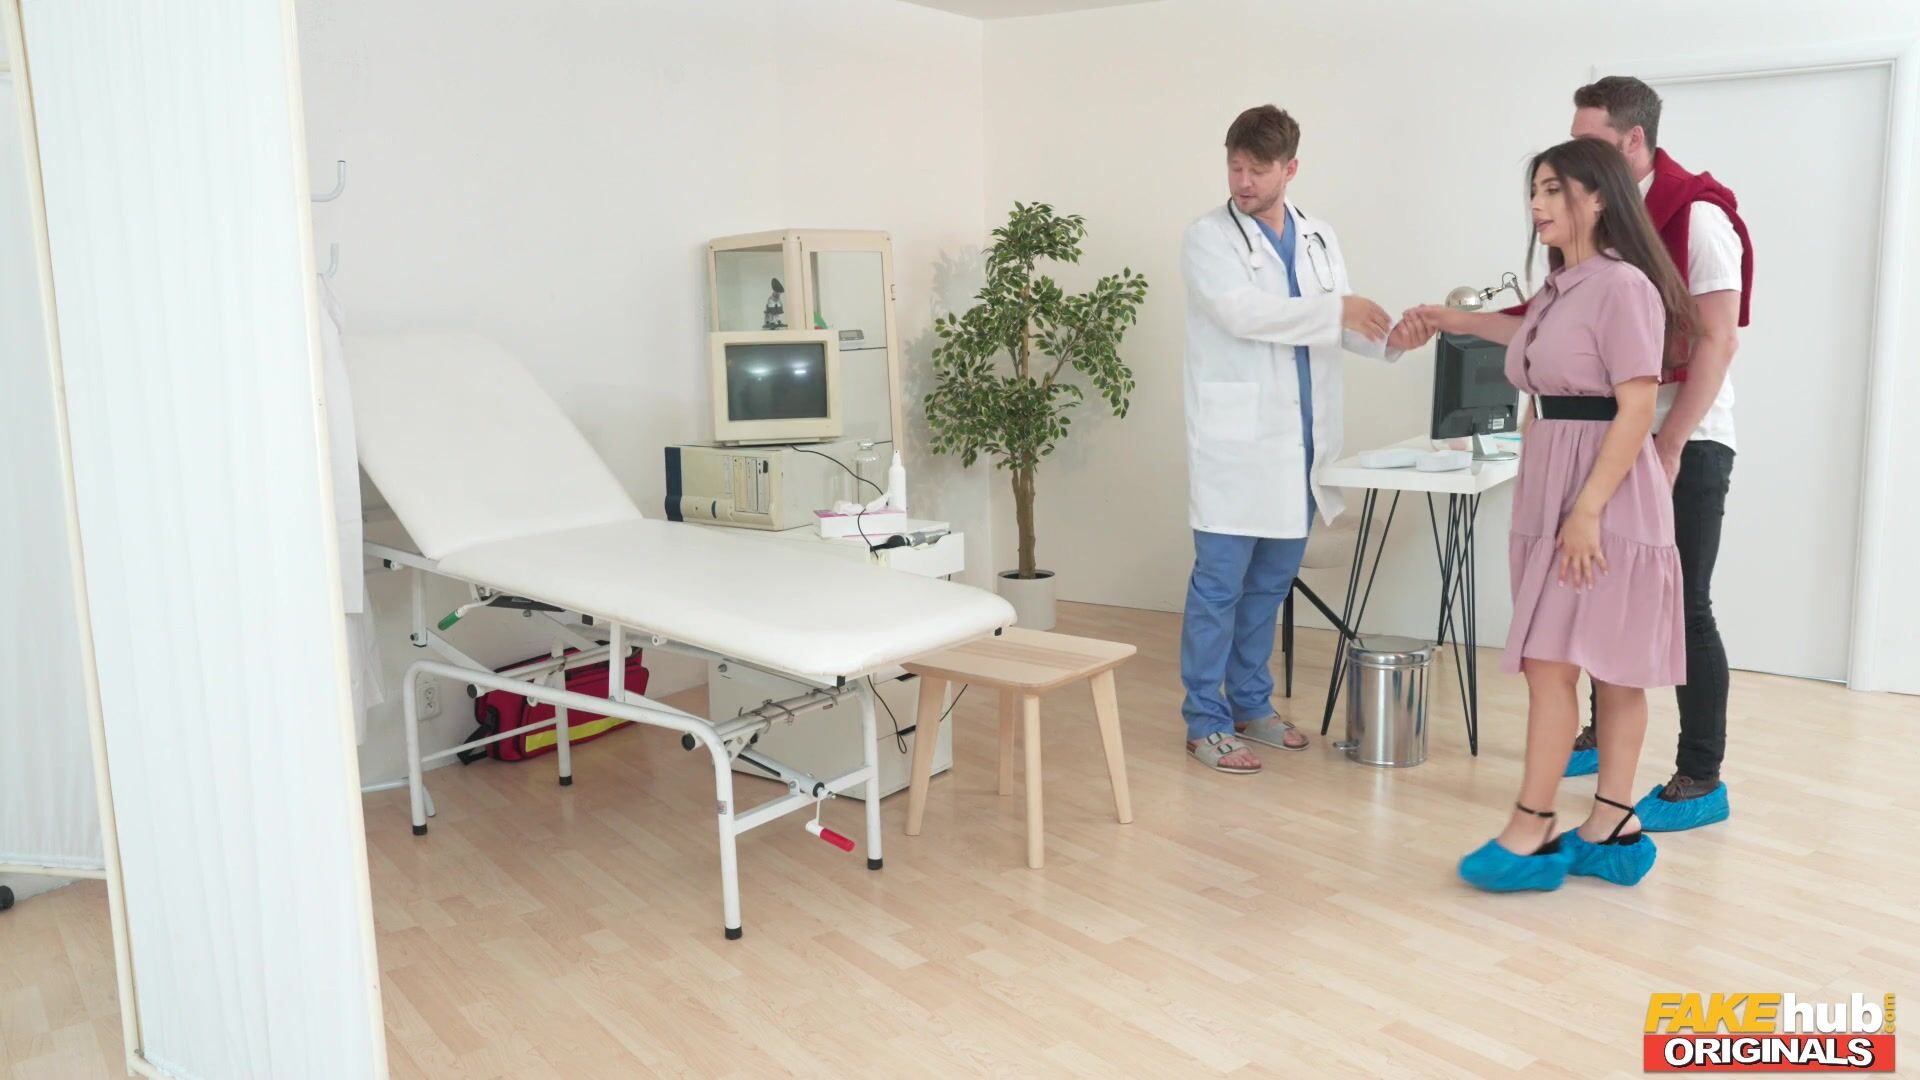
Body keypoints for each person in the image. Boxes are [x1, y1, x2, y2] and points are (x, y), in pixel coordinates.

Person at [1406, 136, 1693, 891]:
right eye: (1533, 191)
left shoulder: (1624, 286)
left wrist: (1588, 508)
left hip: (1604, 491)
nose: (1537, 205)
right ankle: (1608, 827)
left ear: (1598, 198)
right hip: (1553, 484)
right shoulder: (1562, 288)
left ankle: (1547, 826)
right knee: (1555, 662)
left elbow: (1637, 406)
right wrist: (1449, 319)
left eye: (1553, 189)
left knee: (1596, 667)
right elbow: (1528, 339)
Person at [1178, 105, 1425, 774]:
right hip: (1237, 445)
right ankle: (1204, 721)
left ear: (1290, 168)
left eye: (1258, 170)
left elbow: (1335, 325)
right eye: (1235, 166)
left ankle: (1251, 706)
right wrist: (1338, 309)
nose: (1243, 181)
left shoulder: (1318, 236)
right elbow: (1242, 313)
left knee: (1269, 587)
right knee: (1219, 588)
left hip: (1302, 445)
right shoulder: (1208, 238)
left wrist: (1390, 340)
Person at [1558, 77, 1753, 833]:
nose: (1575, 156)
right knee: (1602, 592)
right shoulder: (1602, 218)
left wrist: (1670, 443)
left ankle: (1701, 776)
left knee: (1685, 604)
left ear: (1634, 140)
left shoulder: (1699, 216)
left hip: (1688, 440)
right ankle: (1599, 735)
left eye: (1591, 141)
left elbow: (1718, 339)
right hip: (1618, 434)